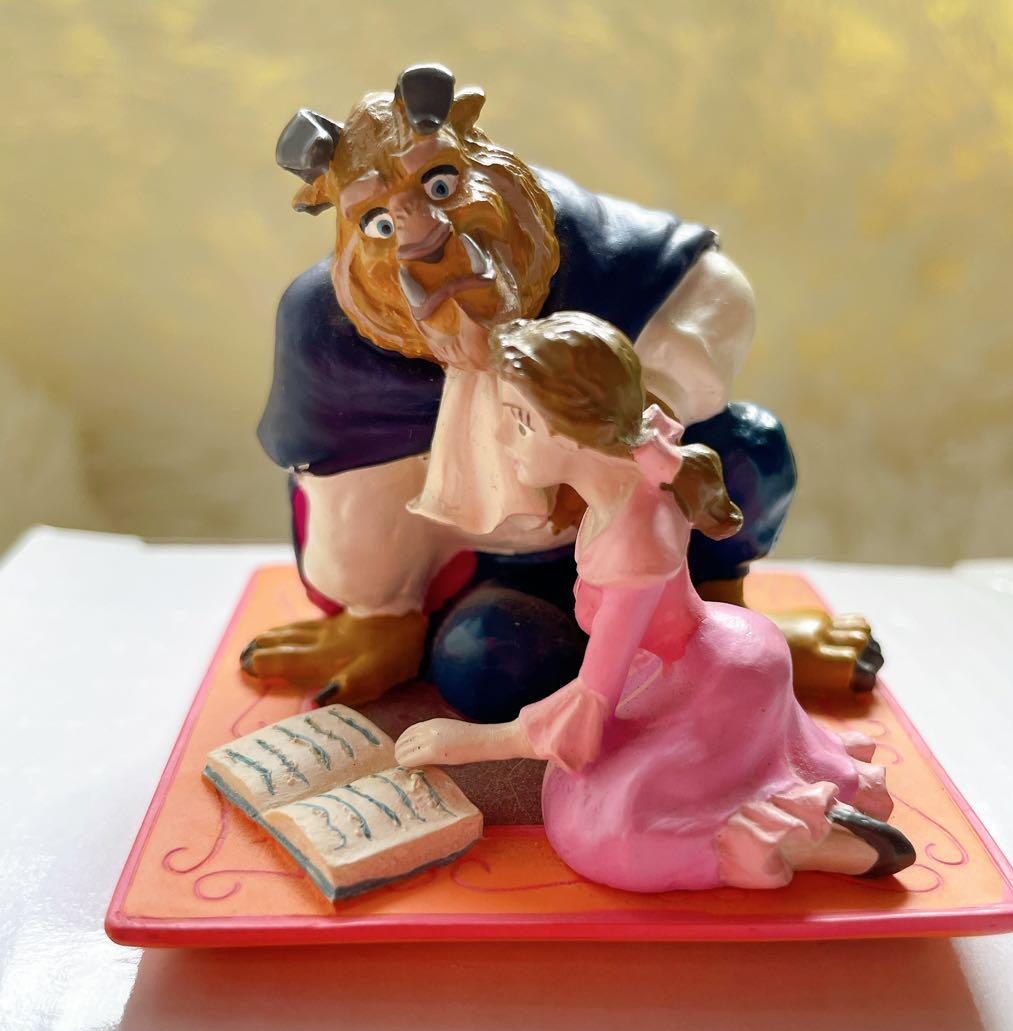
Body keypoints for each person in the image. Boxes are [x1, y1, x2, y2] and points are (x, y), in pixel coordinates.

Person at [243, 63, 881, 723]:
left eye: (441, 184)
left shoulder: (589, 242)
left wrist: (617, 430)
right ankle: (543, 646)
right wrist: (381, 609)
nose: (423, 234)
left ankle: (720, 630)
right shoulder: (328, 331)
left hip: (654, 531)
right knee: (485, 669)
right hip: (486, 561)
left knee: (747, 448)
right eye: (378, 221)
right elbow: (344, 491)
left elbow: (715, 293)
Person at [395, 312, 914, 891]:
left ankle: (792, 834)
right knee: (584, 793)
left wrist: (470, 742)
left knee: (594, 829)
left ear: (571, 430)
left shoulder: (633, 542)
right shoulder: (628, 487)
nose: (500, 437)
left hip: (706, 678)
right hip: (695, 656)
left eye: (519, 421)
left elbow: (592, 701)